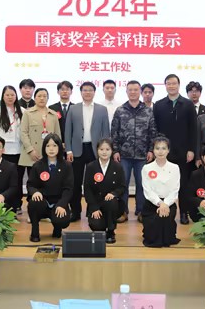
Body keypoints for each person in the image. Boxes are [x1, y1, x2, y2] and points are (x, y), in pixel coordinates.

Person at [153, 74, 198, 225]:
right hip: (163, 152)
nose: (171, 86)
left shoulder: (188, 104)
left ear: (179, 85)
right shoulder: (158, 105)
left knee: (183, 184)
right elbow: (155, 129)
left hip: (183, 151)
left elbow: (193, 129)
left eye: (174, 83)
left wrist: (192, 149)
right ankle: (163, 210)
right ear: (165, 85)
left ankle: (184, 212)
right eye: (168, 83)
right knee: (163, 182)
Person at [111, 81, 157, 223]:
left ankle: (141, 211)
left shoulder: (148, 111)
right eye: (130, 90)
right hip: (123, 155)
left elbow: (153, 132)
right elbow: (114, 132)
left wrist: (151, 150)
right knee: (122, 184)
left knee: (142, 185)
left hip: (143, 155)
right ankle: (122, 211)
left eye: (135, 90)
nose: (133, 92)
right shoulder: (120, 110)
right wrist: (115, 150)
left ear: (140, 92)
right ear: (126, 92)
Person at [65, 81, 110, 222]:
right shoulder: (73, 109)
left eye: (90, 90)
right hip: (77, 150)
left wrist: (105, 151)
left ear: (94, 92)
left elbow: (106, 132)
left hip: (95, 150)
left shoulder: (102, 109)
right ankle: (75, 211)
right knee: (75, 182)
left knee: (95, 182)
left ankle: (94, 210)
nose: (87, 92)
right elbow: (68, 131)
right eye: (85, 90)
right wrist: (68, 150)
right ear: (81, 92)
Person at [19, 88, 61, 212]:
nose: (42, 98)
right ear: (35, 98)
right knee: (33, 183)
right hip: (32, 154)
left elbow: (57, 135)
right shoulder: (28, 113)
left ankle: (47, 209)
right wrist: (30, 150)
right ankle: (32, 210)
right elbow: (23, 133)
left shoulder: (53, 114)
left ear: (48, 98)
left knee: (48, 182)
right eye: (39, 96)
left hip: (49, 155)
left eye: (44, 96)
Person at [27, 134, 73, 242]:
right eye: (48, 146)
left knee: (62, 220)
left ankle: (57, 229)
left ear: (59, 147)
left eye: (54, 146)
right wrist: (35, 192)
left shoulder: (66, 166)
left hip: (58, 202)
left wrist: (62, 204)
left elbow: (68, 188)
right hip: (43, 201)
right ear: (44, 148)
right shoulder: (37, 165)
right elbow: (31, 185)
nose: (51, 149)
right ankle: (35, 231)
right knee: (34, 203)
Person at [84, 139, 127, 243]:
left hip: (112, 204)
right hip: (96, 204)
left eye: (107, 149)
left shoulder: (117, 167)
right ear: (97, 150)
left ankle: (111, 231)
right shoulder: (91, 167)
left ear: (112, 151)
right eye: (101, 149)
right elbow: (87, 189)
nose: (104, 152)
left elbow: (122, 186)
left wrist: (114, 193)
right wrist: (94, 208)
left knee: (111, 201)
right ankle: (103, 228)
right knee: (97, 226)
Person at [141, 137, 181, 248]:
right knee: (153, 230)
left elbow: (175, 190)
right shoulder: (146, 168)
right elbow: (147, 190)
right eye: (157, 148)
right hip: (152, 204)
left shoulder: (175, 168)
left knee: (163, 218)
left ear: (168, 150)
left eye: (163, 148)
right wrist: (160, 203)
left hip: (169, 204)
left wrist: (165, 204)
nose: (160, 151)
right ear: (153, 150)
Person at [0, 86, 24, 207]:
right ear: (3, 96)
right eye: (7, 95)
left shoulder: (22, 111)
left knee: (17, 178)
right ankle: (3, 203)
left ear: (16, 96)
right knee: (3, 179)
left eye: (12, 95)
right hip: (3, 151)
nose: (10, 97)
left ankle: (17, 203)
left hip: (19, 150)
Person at [48, 80, 73, 146]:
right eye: (62, 89)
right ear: (58, 92)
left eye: (67, 89)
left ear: (71, 92)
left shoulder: (75, 108)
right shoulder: (51, 108)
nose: (65, 91)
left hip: (72, 142)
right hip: (56, 142)